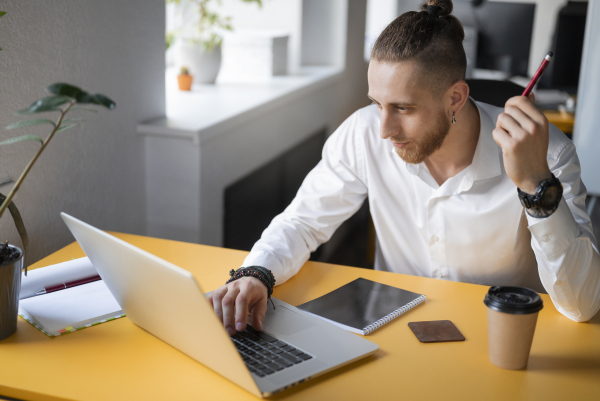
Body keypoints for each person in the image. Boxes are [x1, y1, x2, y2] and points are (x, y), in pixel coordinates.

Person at [208, 0, 600, 335]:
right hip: (397, 330)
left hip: (504, 337)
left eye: (404, 108)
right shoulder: (364, 132)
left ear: (456, 98)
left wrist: (535, 186)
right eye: (378, 103)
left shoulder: (547, 155)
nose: (383, 129)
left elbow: (582, 306)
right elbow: (303, 222)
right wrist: (256, 273)